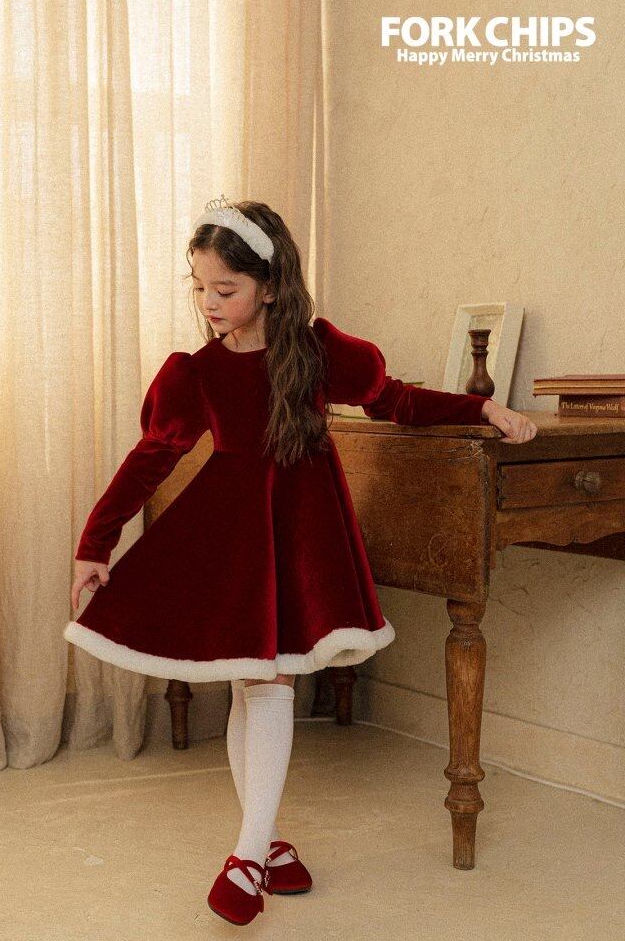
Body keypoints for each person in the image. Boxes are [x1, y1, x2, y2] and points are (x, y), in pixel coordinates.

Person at [65, 195, 537, 926]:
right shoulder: (194, 373)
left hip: (302, 532)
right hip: (235, 535)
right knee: (252, 679)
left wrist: (483, 410)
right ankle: (262, 847)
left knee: (267, 678)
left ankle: (252, 851)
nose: (209, 304)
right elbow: (150, 458)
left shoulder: (317, 353)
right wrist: (94, 545)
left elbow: (396, 401)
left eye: (225, 289)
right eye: (199, 287)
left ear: (271, 286)